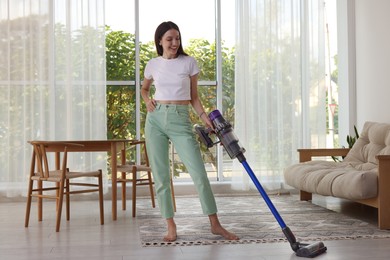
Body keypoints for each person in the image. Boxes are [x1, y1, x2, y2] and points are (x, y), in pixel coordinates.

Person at [141, 21, 239, 242]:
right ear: (160, 41)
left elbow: (194, 97)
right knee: (161, 176)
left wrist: (205, 119)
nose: (175, 43)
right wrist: (147, 100)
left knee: (199, 173)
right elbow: (145, 89)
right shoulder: (153, 64)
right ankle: (170, 226)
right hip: (155, 120)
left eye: (177, 38)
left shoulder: (189, 63)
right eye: (169, 39)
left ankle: (215, 224)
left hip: (180, 118)